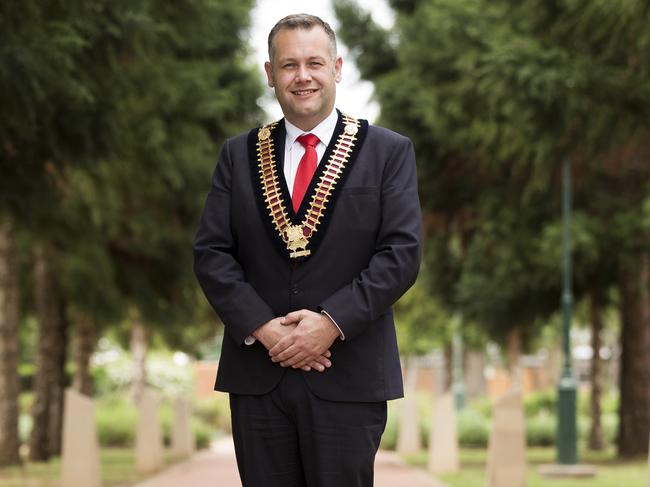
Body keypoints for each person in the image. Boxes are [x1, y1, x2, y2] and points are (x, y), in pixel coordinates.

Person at [193, 13, 421, 487]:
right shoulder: (237, 155)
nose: (302, 76)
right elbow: (212, 253)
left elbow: (400, 254)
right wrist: (264, 328)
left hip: (348, 374)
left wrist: (331, 322)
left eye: (314, 62)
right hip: (259, 374)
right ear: (270, 73)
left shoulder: (388, 151)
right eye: (288, 64)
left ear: (337, 67)